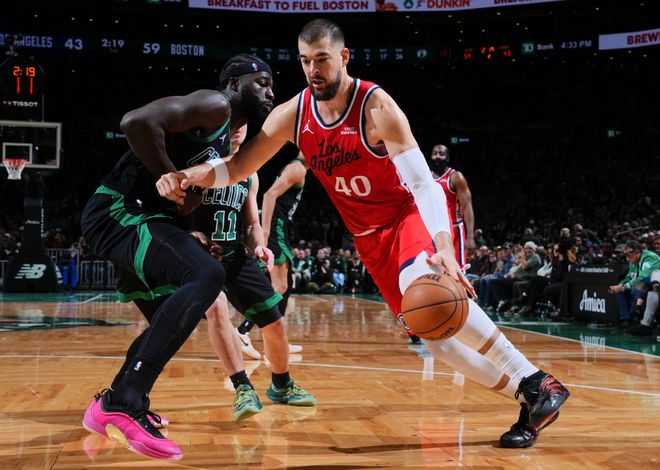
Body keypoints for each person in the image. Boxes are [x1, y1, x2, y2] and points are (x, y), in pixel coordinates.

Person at [156, 19, 569, 448]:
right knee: (438, 341)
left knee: (424, 290)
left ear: (344, 57)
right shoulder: (293, 115)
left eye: (321, 59)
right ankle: (531, 397)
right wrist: (189, 175)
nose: (313, 70)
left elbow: (423, 184)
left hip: (405, 218)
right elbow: (240, 166)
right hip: (368, 241)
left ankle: (538, 381)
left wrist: (444, 245)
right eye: (305, 61)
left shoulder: (376, 106)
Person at [79, 54, 275, 460]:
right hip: (119, 211)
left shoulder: (225, 145)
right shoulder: (216, 104)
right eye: (261, 82)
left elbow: (184, 200)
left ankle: (109, 404)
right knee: (208, 276)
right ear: (234, 84)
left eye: (272, 85)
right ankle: (125, 401)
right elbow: (136, 122)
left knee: (171, 318)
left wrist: (191, 232)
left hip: (141, 219)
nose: (270, 92)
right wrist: (167, 174)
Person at [191, 122, 315, 411]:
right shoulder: (199, 163)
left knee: (275, 320)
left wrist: (259, 245)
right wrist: (189, 234)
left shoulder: (249, 173)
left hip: (234, 253)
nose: (238, 129)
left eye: (243, 124)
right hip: (199, 255)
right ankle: (243, 388)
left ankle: (281, 385)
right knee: (218, 310)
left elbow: (251, 223)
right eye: (232, 122)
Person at [235, 156, 307, 357]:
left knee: (286, 285)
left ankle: (277, 340)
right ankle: (242, 331)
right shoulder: (297, 168)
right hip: (276, 228)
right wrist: (265, 233)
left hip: (281, 228)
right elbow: (269, 195)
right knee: (279, 287)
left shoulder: (298, 169)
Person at [428, 144, 476, 266]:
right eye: (435, 153)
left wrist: (470, 237)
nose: (437, 156)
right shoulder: (426, 177)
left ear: (447, 158)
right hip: (433, 230)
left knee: (456, 270)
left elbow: (467, 206)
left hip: (454, 229)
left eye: (441, 154)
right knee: (433, 270)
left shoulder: (455, 177)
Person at [609, 240, 660, 325]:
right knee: (619, 291)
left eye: (628, 255)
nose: (627, 258)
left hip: (652, 286)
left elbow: (642, 278)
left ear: (637, 252)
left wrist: (623, 287)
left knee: (636, 288)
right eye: (625, 255)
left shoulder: (650, 258)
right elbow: (629, 277)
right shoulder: (633, 261)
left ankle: (636, 318)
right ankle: (625, 320)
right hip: (641, 286)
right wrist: (620, 285)